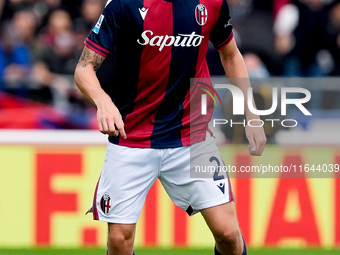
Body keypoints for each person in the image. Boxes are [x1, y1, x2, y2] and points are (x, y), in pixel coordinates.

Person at [74, 0, 266, 255]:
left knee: (229, 234)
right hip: (132, 137)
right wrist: (103, 102)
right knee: (120, 240)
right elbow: (83, 68)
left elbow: (230, 54)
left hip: (191, 134)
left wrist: (251, 114)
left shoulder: (213, 3)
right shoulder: (123, 5)